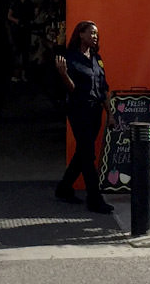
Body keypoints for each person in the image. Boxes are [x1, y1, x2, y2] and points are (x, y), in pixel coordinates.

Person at [54, 20, 114, 214]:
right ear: (80, 34)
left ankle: (64, 188)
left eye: (96, 33)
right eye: (91, 32)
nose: (95, 36)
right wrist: (63, 75)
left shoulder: (97, 59)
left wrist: (110, 114)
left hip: (95, 110)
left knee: (83, 152)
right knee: (88, 154)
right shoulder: (70, 58)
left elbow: (103, 89)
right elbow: (72, 89)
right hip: (79, 110)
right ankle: (94, 199)